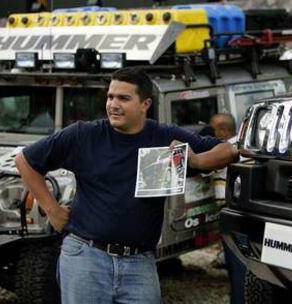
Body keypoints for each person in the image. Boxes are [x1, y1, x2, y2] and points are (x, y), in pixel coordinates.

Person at [15, 67, 238, 304]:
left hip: (139, 263)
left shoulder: (164, 137)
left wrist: (197, 160)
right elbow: (25, 160)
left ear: (145, 104)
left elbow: (229, 150)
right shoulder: (84, 135)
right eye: (110, 97)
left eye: (124, 98)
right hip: (86, 257)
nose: (113, 104)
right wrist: (52, 209)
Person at [209, 113, 246, 304]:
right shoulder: (243, 144)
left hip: (234, 220)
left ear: (223, 131)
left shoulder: (227, 151)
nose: (209, 133)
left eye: (212, 129)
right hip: (244, 220)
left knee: (238, 267)